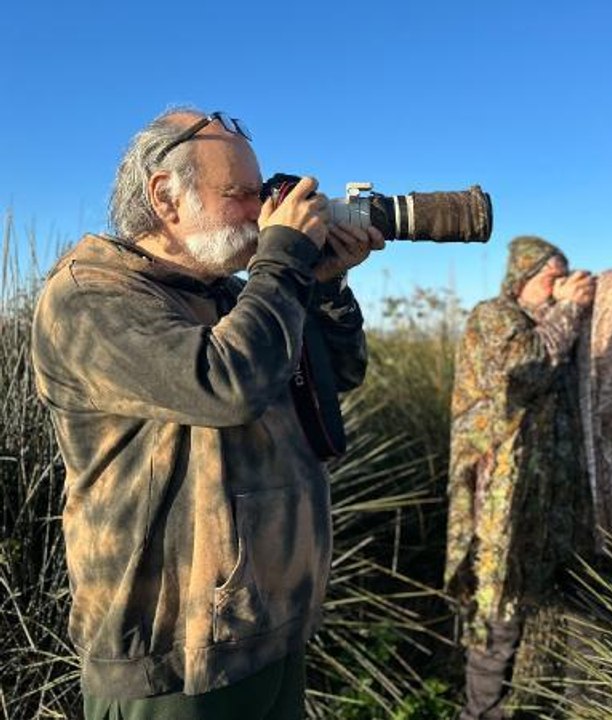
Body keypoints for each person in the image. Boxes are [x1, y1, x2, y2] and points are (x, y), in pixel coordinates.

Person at [30, 107, 385, 719]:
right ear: (166, 196)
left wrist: (321, 284)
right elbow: (225, 384)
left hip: (264, 626)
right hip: (175, 659)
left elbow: (337, 379)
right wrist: (281, 261)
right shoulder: (92, 294)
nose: (261, 212)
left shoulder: (227, 295)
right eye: (243, 195)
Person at [444, 235, 596, 719]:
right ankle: (482, 712)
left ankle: (582, 707)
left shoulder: (560, 324)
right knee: (500, 609)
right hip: (504, 500)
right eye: (553, 278)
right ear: (523, 278)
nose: (561, 287)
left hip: (560, 496)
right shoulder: (494, 317)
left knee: (583, 598)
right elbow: (523, 369)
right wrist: (569, 310)